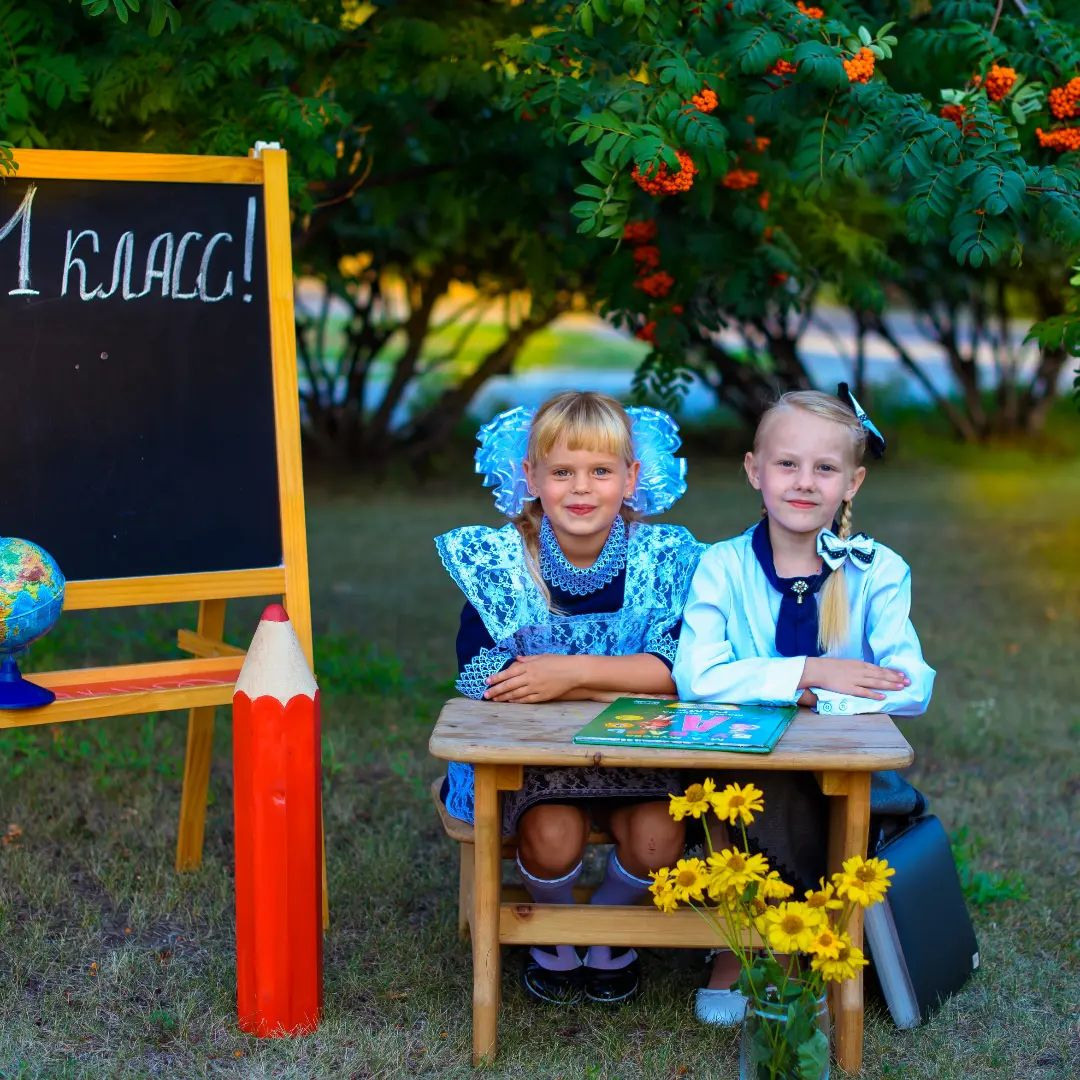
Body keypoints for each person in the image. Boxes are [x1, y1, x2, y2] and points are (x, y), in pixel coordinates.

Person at [672, 386, 935, 1025]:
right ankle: (737, 945)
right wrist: (811, 673)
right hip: (736, 767)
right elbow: (696, 677)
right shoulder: (721, 567)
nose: (804, 482)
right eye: (787, 464)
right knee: (748, 786)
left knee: (804, 787)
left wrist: (807, 697)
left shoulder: (877, 572)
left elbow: (912, 684)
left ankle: (799, 944)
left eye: (825, 468)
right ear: (754, 470)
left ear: (853, 482)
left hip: (835, 775)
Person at [435, 391, 704, 1006]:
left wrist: (568, 673)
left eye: (601, 472)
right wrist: (619, 676)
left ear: (632, 478)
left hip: (644, 752)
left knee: (661, 837)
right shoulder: (503, 561)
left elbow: (680, 670)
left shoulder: (665, 559)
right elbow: (485, 675)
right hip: (537, 760)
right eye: (561, 472)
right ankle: (551, 928)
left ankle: (609, 927)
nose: (581, 489)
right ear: (530, 478)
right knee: (552, 837)